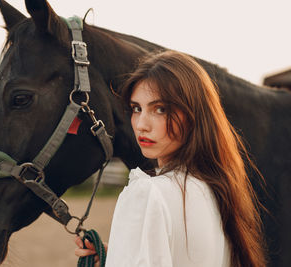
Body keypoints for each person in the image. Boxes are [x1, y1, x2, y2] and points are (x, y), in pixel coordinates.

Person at [74, 50, 266, 267]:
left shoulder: (148, 194)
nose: (141, 124)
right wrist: (121, 254)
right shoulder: (217, 188)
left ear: (194, 115)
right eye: (137, 108)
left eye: (160, 109)